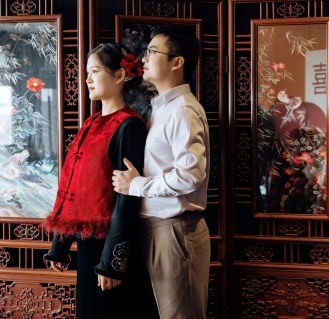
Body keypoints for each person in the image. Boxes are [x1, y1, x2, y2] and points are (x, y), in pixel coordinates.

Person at [41, 43, 150, 319]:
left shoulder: (129, 126)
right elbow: (75, 189)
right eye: (87, 72)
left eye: (95, 71)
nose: (87, 79)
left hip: (109, 247)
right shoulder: (91, 124)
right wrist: (60, 245)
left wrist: (112, 263)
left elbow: (127, 198)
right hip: (88, 245)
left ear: (119, 76)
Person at [112, 25, 211, 319]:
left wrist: (138, 185)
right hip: (160, 228)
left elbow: (191, 174)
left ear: (177, 62)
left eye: (152, 52)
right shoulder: (162, 109)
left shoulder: (182, 110)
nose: (144, 58)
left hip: (176, 230)